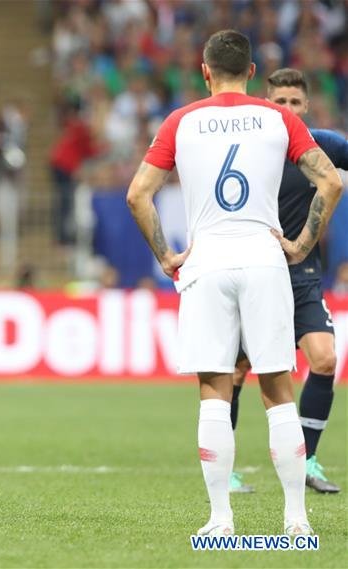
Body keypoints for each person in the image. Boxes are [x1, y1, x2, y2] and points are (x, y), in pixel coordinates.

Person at [126, 31, 342, 537]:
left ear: (204, 72)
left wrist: (167, 257)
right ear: (251, 72)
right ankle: (296, 523)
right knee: (278, 389)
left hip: (208, 261)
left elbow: (139, 195)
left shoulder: (181, 121)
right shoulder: (281, 118)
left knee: (214, 390)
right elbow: (330, 181)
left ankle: (221, 520)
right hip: (266, 260)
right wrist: (301, 245)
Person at [229, 68, 347, 495]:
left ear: (307, 106)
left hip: (304, 276)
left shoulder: (322, 145)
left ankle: (308, 459)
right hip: (255, 272)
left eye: (295, 103)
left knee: (325, 359)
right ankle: (227, 468)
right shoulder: (248, 145)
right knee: (237, 370)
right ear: (267, 103)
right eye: (280, 102)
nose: (288, 109)